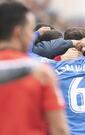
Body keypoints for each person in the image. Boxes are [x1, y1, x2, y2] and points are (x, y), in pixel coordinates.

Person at [0, 2, 69, 135]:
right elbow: (60, 129)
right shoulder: (41, 73)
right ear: (18, 32)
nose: (33, 37)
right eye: (30, 31)